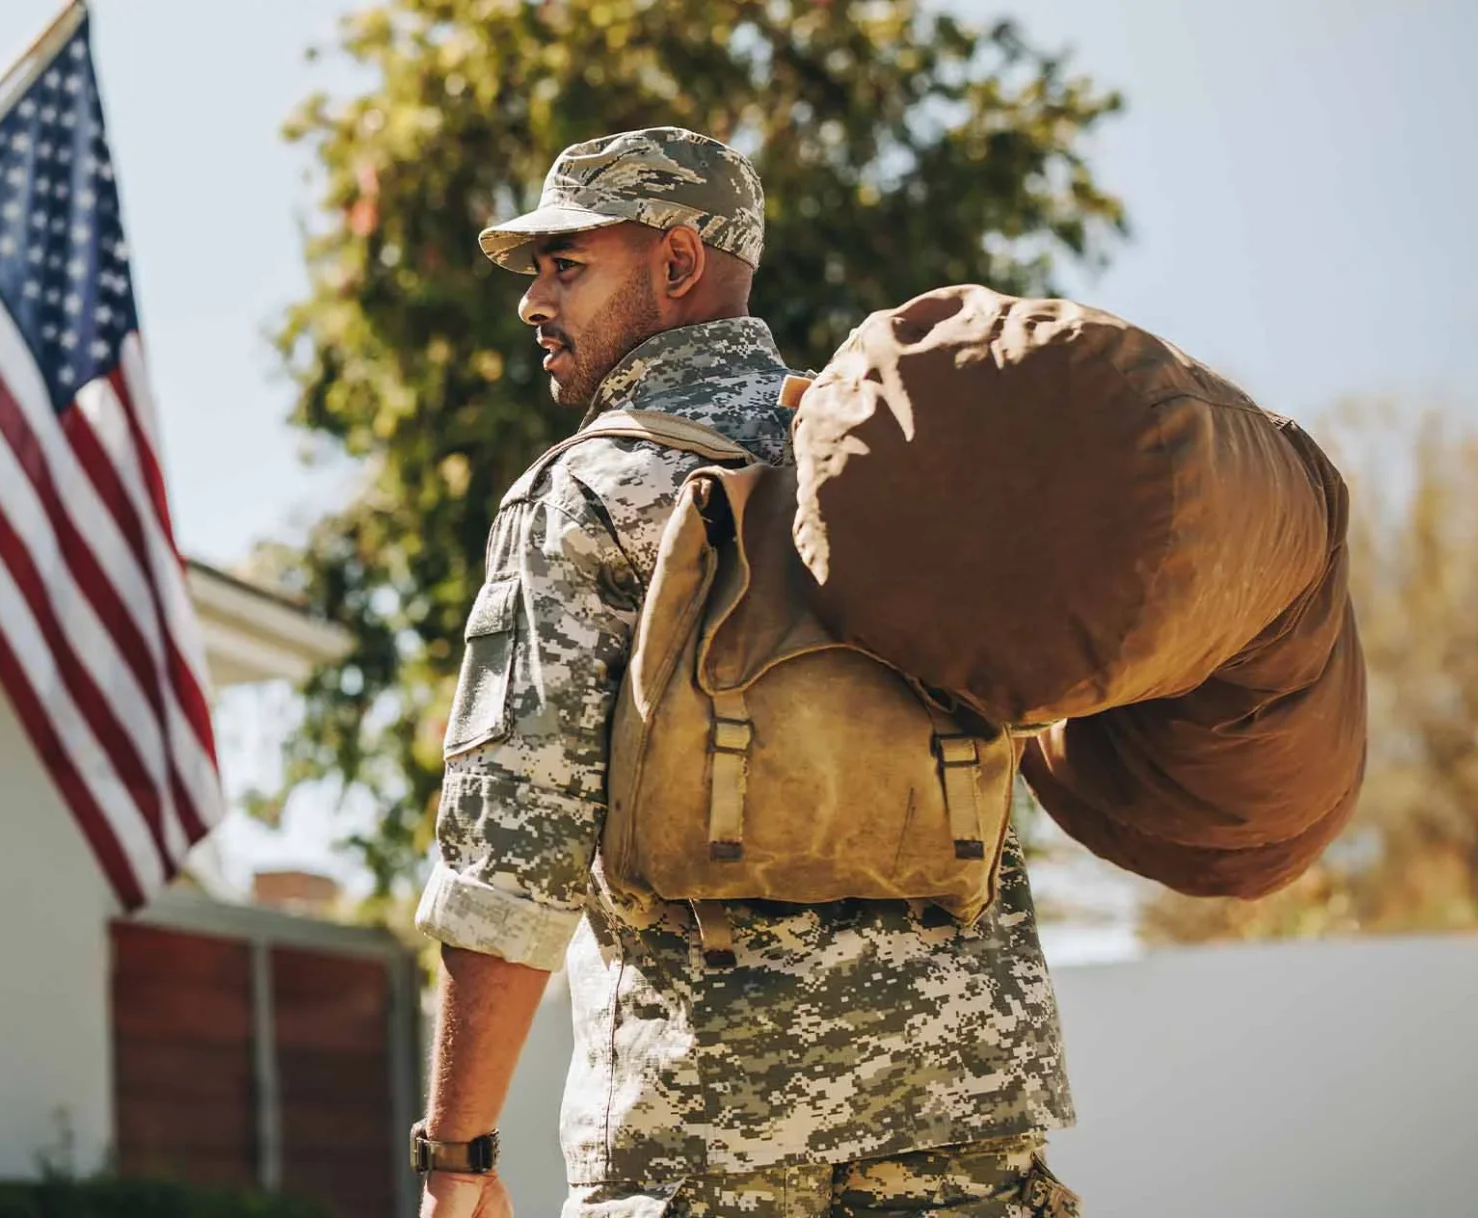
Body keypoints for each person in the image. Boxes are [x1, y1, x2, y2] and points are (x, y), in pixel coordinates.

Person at [409, 128, 1079, 1218]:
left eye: (566, 265)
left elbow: (511, 854)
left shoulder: (591, 492)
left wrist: (457, 1157)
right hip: (968, 1117)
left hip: (711, 1138)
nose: (533, 302)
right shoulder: (894, 460)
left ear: (678, 262)